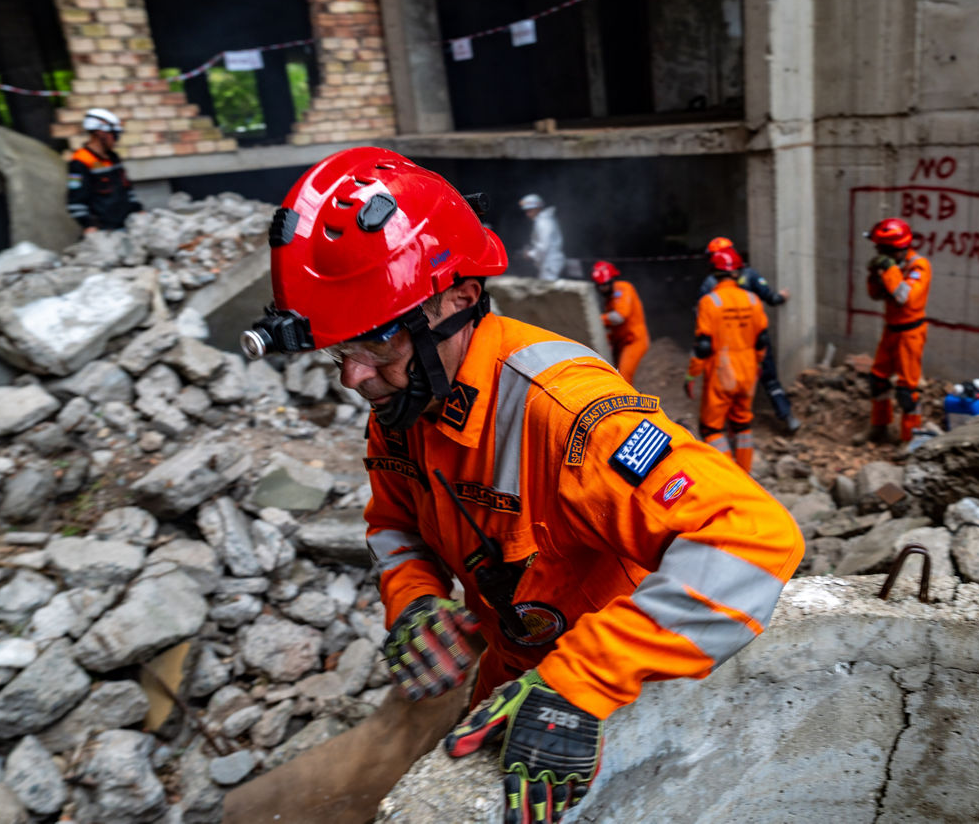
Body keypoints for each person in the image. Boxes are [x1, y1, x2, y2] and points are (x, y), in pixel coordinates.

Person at [241, 148, 803, 824]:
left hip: (620, 679)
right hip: (514, 670)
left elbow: (754, 535)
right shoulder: (403, 405)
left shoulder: (563, 414)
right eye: (339, 352)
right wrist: (414, 599)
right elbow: (392, 520)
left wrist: (582, 683)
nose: (351, 378)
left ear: (459, 298)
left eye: (374, 345)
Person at [697, 237, 800, 432]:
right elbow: (769, 297)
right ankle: (786, 416)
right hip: (754, 339)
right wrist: (781, 297)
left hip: (725, 345)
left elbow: (701, 315)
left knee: (722, 385)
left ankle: (723, 425)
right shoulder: (750, 274)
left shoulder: (709, 282)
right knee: (769, 378)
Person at [685, 246, 770, 472]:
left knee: (711, 429)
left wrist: (692, 374)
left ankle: (727, 477)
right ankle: (745, 475)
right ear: (737, 273)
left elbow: (703, 346)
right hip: (749, 370)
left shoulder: (710, 302)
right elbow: (761, 340)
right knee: (742, 424)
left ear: (714, 273)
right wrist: (759, 364)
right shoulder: (753, 299)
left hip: (722, 373)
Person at [862, 216, 932, 443]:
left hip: (910, 333)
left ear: (896, 248)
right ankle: (879, 427)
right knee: (878, 380)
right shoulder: (895, 266)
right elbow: (875, 295)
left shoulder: (918, 267)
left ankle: (911, 441)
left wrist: (889, 270)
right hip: (891, 330)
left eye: (881, 249)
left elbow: (904, 297)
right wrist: (874, 276)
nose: (878, 253)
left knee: (907, 391)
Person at [66, 108, 142, 233]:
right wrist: (88, 224)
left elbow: (127, 188)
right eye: (114, 135)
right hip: (105, 231)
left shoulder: (113, 158)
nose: (116, 139)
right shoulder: (80, 161)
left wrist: (138, 209)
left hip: (128, 225)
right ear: (101, 133)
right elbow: (75, 201)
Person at [591, 259, 649, 385]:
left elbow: (620, 317)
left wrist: (598, 320)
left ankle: (628, 404)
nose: (603, 289)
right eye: (600, 286)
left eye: (605, 285)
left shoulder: (624, 289)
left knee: (624, 377)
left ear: (612, 280)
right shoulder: (609, 299)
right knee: (614, 375)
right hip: (620, 342)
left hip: (634, 340)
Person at [518, 193, 565, 280]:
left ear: (537, 208)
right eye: (526, 211)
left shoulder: (544, 222)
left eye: (530, 210)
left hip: (550, 264)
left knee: (548, 291)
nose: (527, 214)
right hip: (547, 264)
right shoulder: (543, 220)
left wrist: (530, 254)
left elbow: (543, 247)